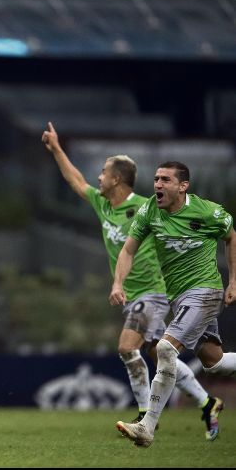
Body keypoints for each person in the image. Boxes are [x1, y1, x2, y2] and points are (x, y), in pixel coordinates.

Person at [41, 123, 221, 437]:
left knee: (127, 347)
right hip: (133, 293)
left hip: (153, 291)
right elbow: (76, 181)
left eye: (103, 172)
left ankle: (144, 415)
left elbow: (184, 224)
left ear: (116, 178)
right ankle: (207, 402)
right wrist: (56, 149)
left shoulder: (146, 207)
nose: (98, 178)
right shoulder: (103, 204)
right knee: (157, 354)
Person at [110, 161, 236, 447]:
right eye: (156, 179)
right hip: (179, 297)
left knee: (165, 348)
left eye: (165, 180)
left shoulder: (207, 211)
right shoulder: (150, 211)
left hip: (204, 291)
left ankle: (147, 427)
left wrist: (233, 282)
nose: (157, 185)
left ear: (183, 186)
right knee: (213, 361)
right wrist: (118, 283)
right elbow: (128, 249)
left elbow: (231, 237)